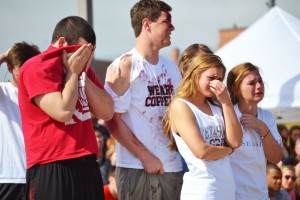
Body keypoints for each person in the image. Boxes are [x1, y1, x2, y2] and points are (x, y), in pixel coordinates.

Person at [18, 16, 114, 200]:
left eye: (90, 53)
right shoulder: (36, 67)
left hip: (87, 164)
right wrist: (73, 73)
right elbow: (63, 111)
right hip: (53, 164)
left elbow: (107, 111)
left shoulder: (82, 69)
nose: (86, 58)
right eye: (82, 51)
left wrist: (81, 74)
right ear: (62, 42)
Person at [104, 1, 184, 199]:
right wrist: (144, 156)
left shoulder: (171, 67)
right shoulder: (125, 65)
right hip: (137, 168)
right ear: (147, 24)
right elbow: (112, 120)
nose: (172, 27)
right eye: (167, 22)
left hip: (172, 167)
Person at [164, 50, 243, 199]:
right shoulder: (181, 106)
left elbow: (236, 141)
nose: (216, 83)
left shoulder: (217, 107)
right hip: (202, 189)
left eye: (220, 79)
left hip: (226, 188)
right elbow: (202, 151)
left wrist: (226, 102)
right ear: (195, 76)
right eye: (211, 78)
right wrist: (228, 151)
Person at [226, 62, 283, 199]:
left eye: (260, 81)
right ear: (236, 89)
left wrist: (262, 128)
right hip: (234, 196)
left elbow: (276, 158)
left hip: (261, 196)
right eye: (251, 83)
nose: (259, 86)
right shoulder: (227, 116)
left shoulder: (267, 117)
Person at [0, 42, 40, 200]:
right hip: (8, 176)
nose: (25, 76)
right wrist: (4, 56)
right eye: (20, 71)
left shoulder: (43, 95)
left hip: (38, 177)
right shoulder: (3, 91)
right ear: (9, 69)